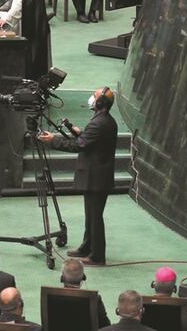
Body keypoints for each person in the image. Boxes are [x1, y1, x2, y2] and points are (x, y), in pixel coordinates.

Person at [38, 87, 118, 266]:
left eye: (95, 96)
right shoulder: (104, 120)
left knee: (95, 218)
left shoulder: (99, 123)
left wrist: (53, 140)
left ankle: (97, 257)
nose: (92, 98)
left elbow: (79, 145)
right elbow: (88, 139)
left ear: (100, 102)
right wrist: (73, 130)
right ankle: (86, 247)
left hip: (96, 178)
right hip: (98, 177)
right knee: (91, 216)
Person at [60, 259, 110, 326]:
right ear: (83, 277)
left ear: (62, 278)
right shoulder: (95, 299)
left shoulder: (51, 297)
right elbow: (105, 324)